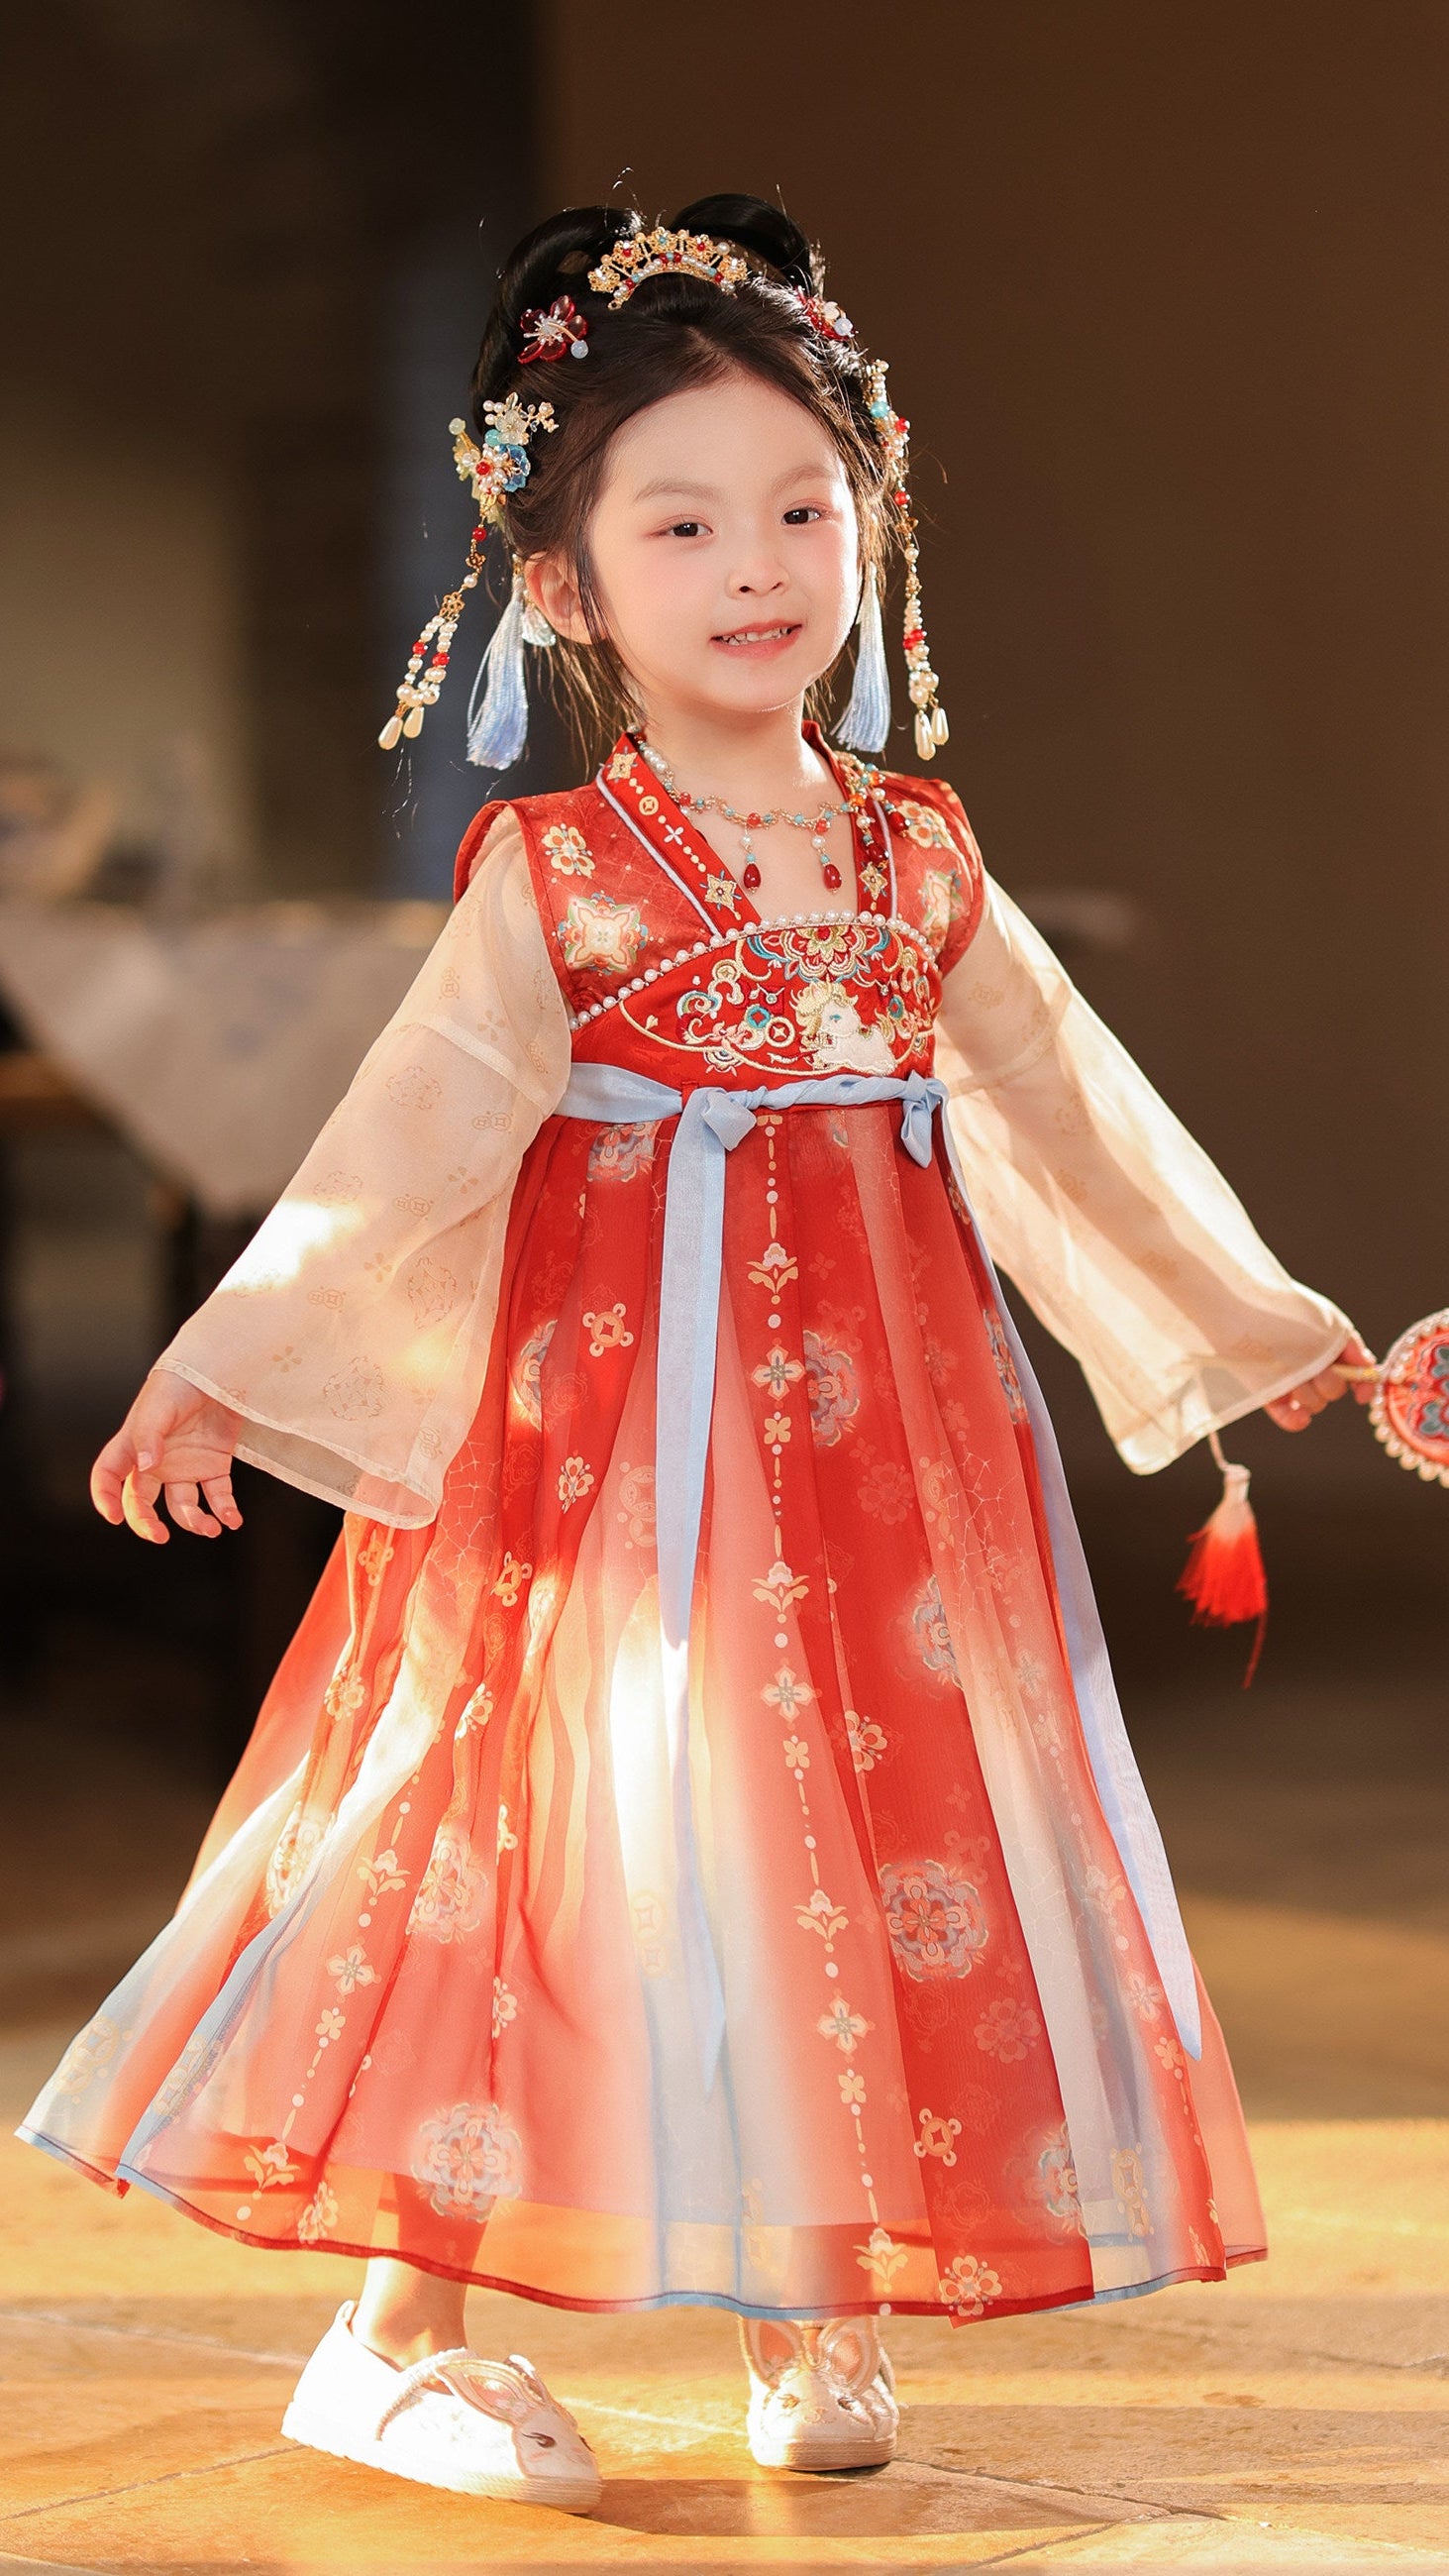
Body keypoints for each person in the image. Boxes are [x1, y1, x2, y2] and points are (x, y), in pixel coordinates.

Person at [18, 194, 1374, 2519]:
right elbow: (400, 1154)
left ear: (874, 528)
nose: (759, 565)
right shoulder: (560, 875)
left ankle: (807, 2281)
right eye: (683, 522)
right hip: (601, 1455)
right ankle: (390, 2332)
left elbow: (1082, 1130)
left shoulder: (919, 860)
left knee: (844, 1816)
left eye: (803, 510)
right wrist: (231, 1367)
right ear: (566, 584)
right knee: (536, 1824)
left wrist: (1286, 1351)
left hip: (888, 1454)